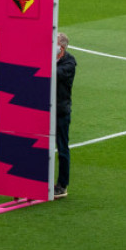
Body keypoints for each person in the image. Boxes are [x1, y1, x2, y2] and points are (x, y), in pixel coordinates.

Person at [54, 32, 77, 199]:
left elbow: (55, 74)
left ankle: (62, 186)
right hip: (46, 109)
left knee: (62, 148)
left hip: (60, 111)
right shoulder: (52, 59)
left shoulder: (69, 63)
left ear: (61, 47)